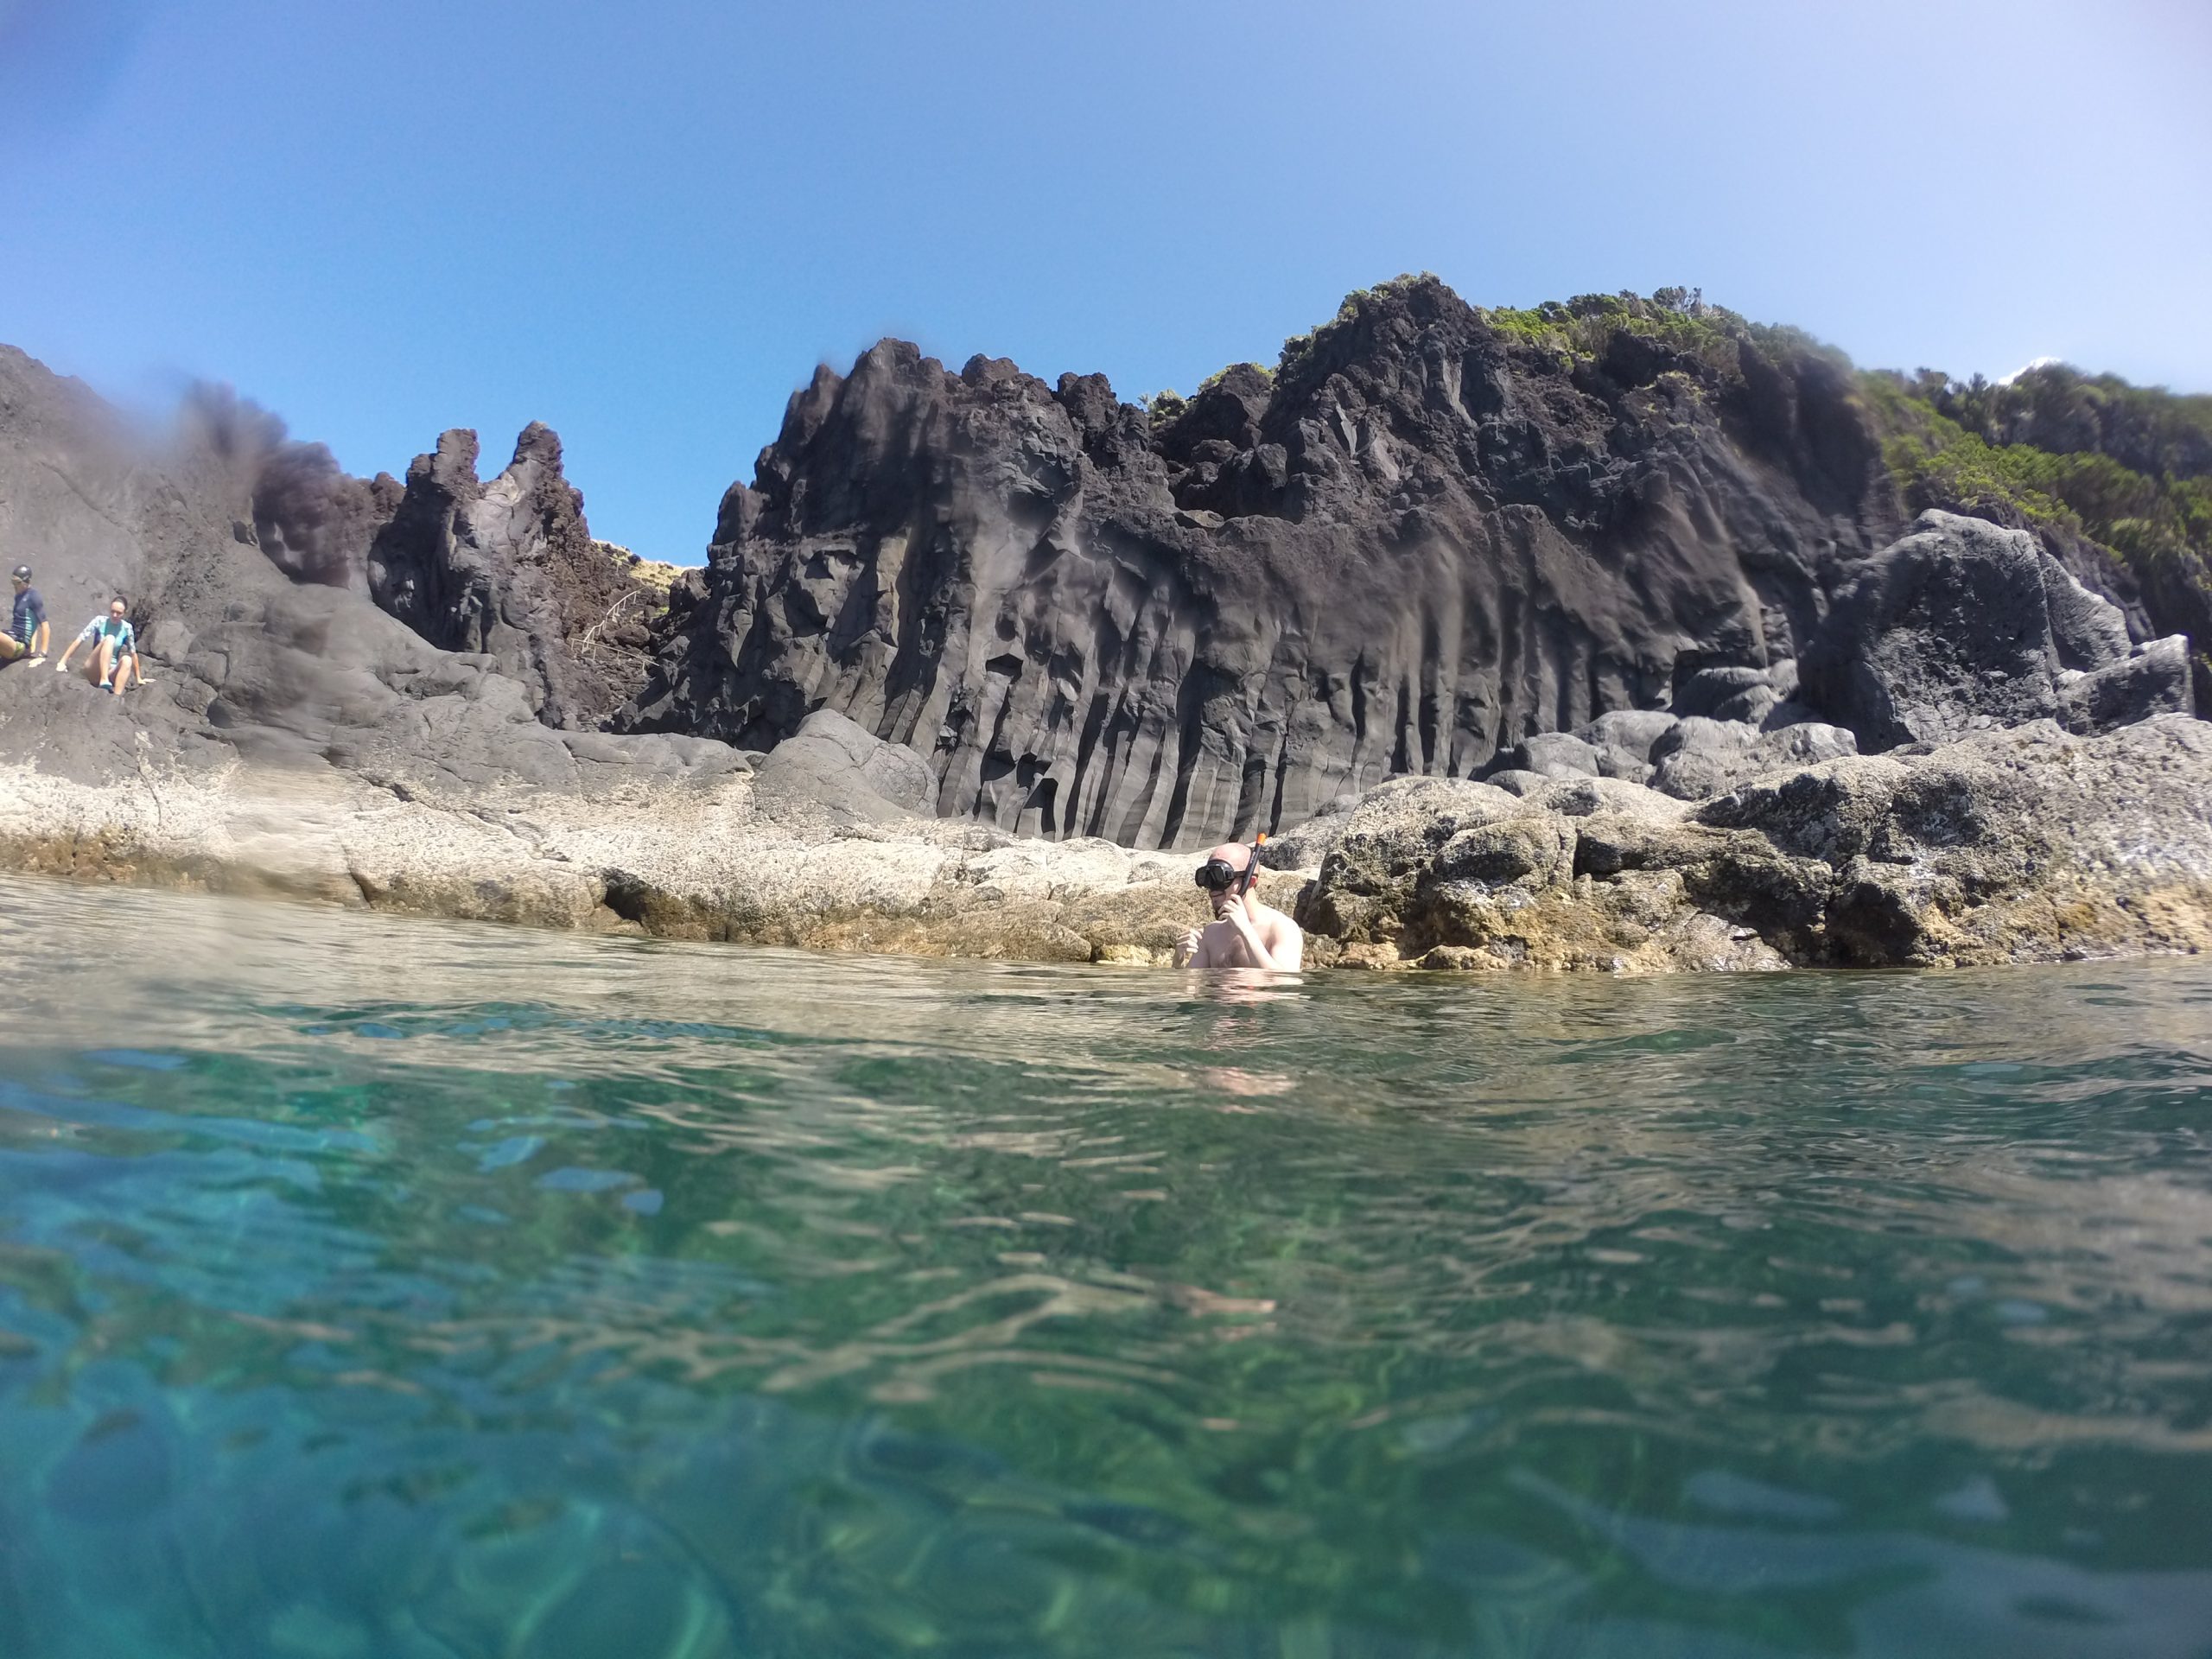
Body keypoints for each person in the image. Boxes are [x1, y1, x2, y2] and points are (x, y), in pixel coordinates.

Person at [1176, 842, 1304, 970]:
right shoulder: (1210, 935)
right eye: (1207, 878)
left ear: (1250, 881)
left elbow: (1284, 984)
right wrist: (1178, 961)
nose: (1212, 889)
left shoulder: (1282, 929)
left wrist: (1246, 932)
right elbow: (1189, 988)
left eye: (1220, 876)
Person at [55, 597, 140, 695]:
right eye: (112, 611)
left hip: (111, 671)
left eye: (119, 613)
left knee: (127, 660)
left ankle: (116, 697)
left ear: (124, 612)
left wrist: (139, 678)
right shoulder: (99, 621)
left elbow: (133, 653)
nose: (115, 615)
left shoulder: (127, 628)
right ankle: (104, 679)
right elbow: (80, 640)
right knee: (110, 639)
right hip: (94, 668)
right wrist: (62, 662)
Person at [0, 566, 48, 666]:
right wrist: (32, 646)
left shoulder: (33, 596)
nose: (14, 586)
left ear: (27, 581)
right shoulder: (19, 597)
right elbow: (32, 621)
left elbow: (45, 625)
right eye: (13, 582)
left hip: (19, 645)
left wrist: (42, 655)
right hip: (11, 636)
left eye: (17, 583)